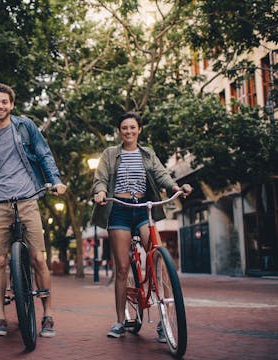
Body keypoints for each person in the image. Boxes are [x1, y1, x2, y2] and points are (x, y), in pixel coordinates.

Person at [0, 83, 67, 338]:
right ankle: (0, 317)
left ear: (12, 104)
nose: (0, 106)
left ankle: (48, 314)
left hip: (27, 197)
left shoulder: (24, 127)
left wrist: (55, 181)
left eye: (5, 102)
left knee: (38, 258)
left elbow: (44, 154)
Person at [91, 111, 192, 340]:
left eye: (132, 127)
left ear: (139, 130)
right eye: (124, 128)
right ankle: (120, 321)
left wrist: (176, 188)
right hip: (119, 210)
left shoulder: (148, 154)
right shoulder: (110, 154)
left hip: (143, 210)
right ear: (120, 131)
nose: (129, 131)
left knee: (159, 260)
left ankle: (164, 320)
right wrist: (100, 191)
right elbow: (101, 178)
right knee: (123, 268)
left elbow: (162, 175)